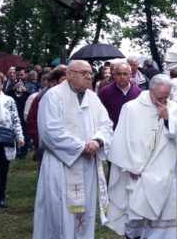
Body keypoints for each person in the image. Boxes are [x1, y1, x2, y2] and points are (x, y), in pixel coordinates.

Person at [32, 60, 113, 239]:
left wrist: (98, 141)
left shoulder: (93, 97)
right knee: (60, 213)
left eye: (90, 73)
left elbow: (106, 125)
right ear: (68, 74)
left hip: (87, 165)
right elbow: (50, 131)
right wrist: (82, 146)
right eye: (83, 73)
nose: (88, 76)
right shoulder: (53, 96)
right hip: (61, 165)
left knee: (85, 213)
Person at [105, 74, 177, 238]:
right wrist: (128, 166)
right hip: (138, 171)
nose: (164, 100)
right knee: (135, 214)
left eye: (167, 96)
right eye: (161, 97)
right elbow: (121, 139)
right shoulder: (131, 108)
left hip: (165, 170)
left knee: (163, 217)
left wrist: (168, 119)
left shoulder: (173, 108)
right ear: (151, 90)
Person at [0, 71, 25, 208]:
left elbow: (15, 120)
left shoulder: (9, 100)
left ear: (2, 84)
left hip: (4, 140)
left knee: (2, 170)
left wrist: (19, 136)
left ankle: (0, 198)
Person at [26, 68, 67, 164]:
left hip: (64, 143)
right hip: (45, 145)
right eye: (63, 80)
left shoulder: (69, 95)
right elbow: (32, 120)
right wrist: (39, 141)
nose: (66, 83)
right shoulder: (41, 97)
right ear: (54, 81)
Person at [98, 62, 141, 130]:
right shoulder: (104, 93)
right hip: (112, 133)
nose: (122, 77)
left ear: (130, 75)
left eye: (125, 74)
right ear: (113, 75)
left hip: (133, 132)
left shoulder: (138, 93)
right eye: (118, 74)